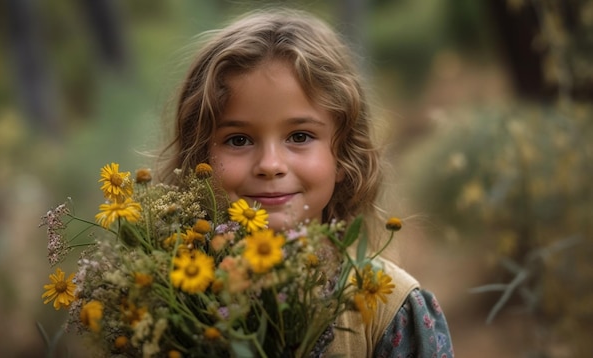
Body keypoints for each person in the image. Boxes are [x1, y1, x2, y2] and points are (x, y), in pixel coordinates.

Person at [157, 8, 454, 357]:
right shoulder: (169, 303)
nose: (270, 165)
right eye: (238, 140)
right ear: (200, 161)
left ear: (343, 156)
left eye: (299, 136)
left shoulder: (389, 310)